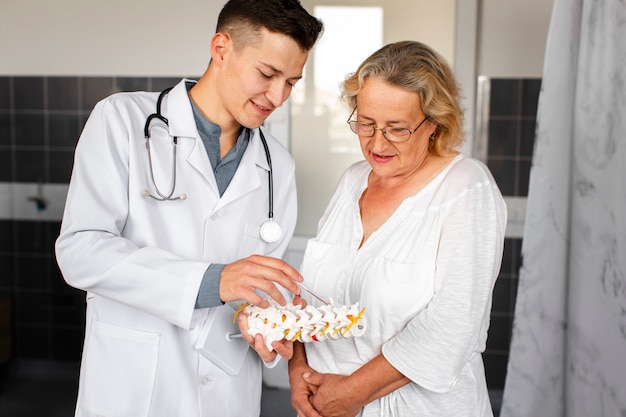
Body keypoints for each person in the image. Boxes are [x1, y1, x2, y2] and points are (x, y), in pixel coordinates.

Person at [54, 1, 323, 416]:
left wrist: (268, 323)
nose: (278, 96)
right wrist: (214, 281)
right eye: (267, 74)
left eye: (291, 82)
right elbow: (80, 251)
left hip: (227, 392)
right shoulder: (121, 120)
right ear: (221, 48)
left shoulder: (277, 166)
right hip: (134, 383)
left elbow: (262, 288)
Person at [288, 41, 507, 417]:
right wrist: (299, 373)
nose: (377, 143)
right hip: (324, 406)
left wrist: (348, 394)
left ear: (434, 124)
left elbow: (451, 327)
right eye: (366, 124)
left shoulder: (467, 187)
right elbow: (309, 298)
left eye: (397, 129)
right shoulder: (352, 181)